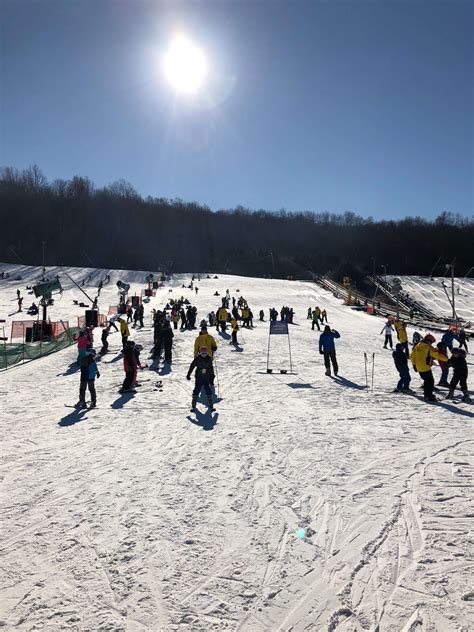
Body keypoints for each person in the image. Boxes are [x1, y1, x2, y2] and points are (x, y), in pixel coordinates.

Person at [410, 334, 447, 401]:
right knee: (430, 381)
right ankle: (428, 395)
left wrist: (414, 365)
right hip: (425, 367)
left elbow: (412, 356)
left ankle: (426, 393)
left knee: (426, 380)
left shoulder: (418, 345)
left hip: (418, 367)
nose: (431, 343)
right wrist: (447, 359)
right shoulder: (428, 347)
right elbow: (437, 355)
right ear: (429, 341)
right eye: (431, 342)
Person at [186, 347, 215, 411]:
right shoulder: (199, 358)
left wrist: (212, 375)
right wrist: (188, 374)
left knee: (206, 389)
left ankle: (210, 405)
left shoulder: (208, 359)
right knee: (198, 389)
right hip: (199, 377)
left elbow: (211, 368)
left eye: (205, 353)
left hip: (205, 377)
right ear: (200, 352)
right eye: (202, 353)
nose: (204, 354)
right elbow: (192, 366)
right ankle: (194, 405)